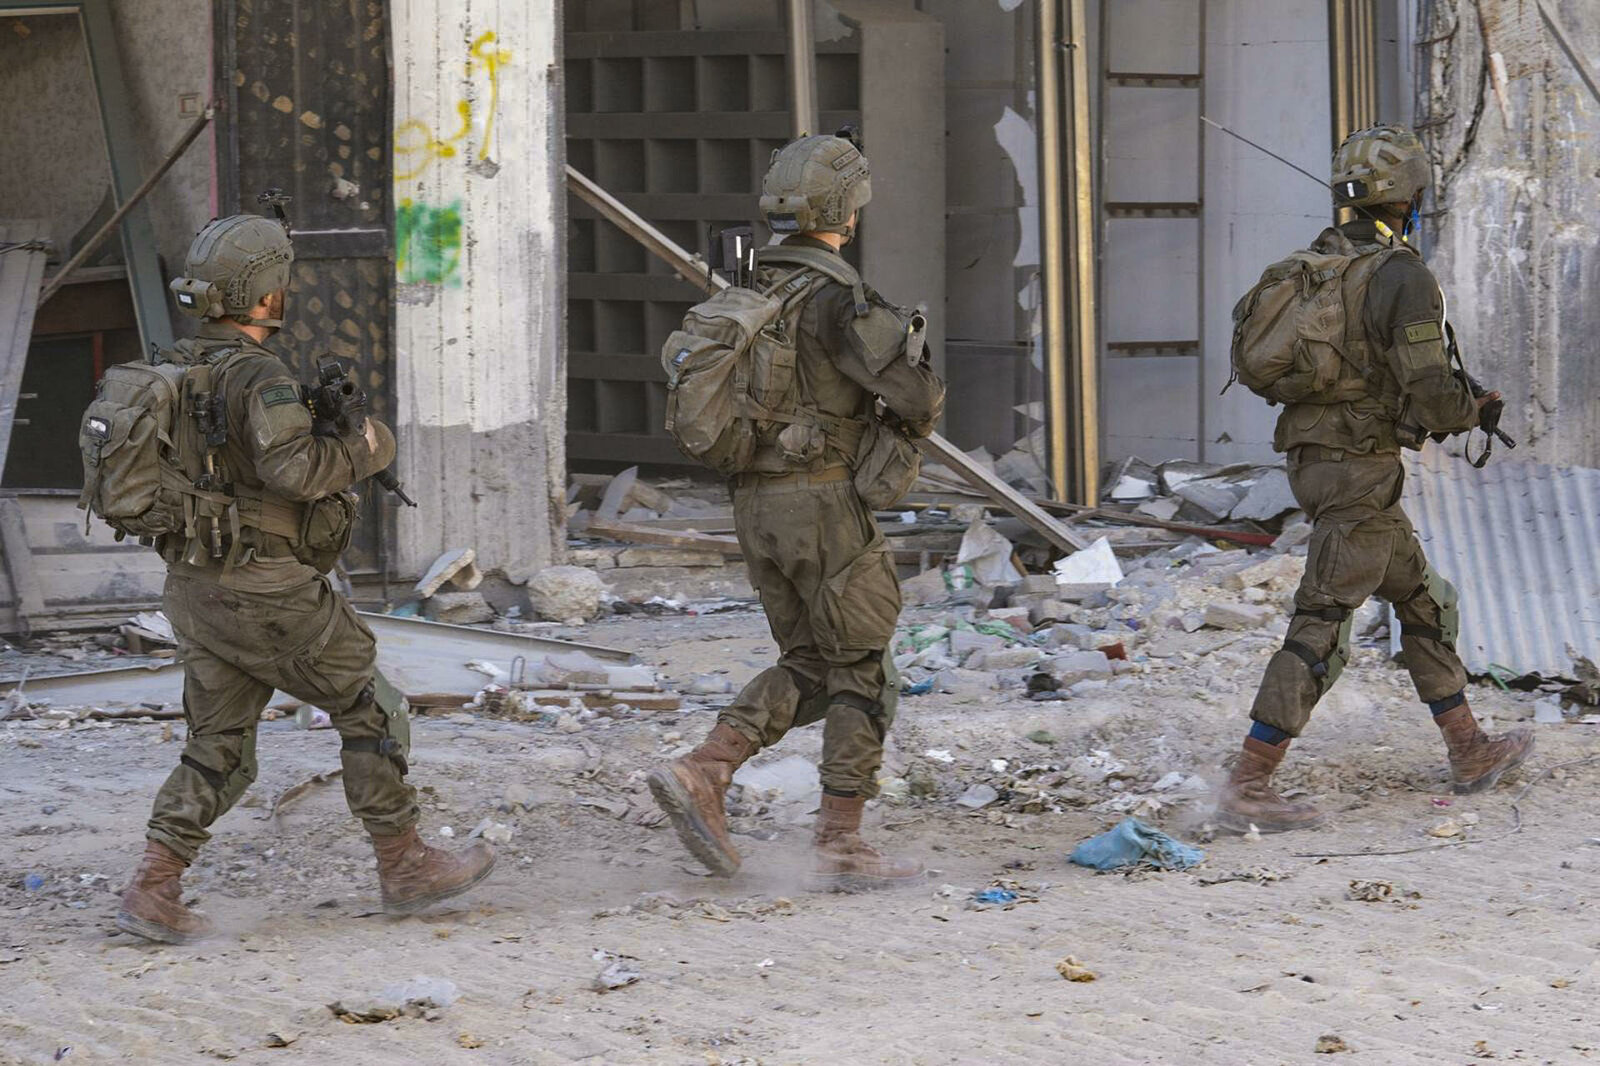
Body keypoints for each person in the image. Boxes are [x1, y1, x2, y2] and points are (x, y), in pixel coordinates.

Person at [112, 213, 494, 942]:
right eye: (278, 282)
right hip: (268, 594)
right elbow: (295, 470)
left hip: (195, 590)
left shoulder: (176, 366)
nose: (284, 292)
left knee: (218, 745)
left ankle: (153, 886)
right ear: (260, 294)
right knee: (369, 705)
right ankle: (404, 862)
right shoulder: (258, 375)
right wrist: (367, 444)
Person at [648, 132, 946, 890]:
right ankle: (839, 842)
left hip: (755, 504)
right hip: (824, 505)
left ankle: (708, 768)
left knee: (812, 662)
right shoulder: (839, 300)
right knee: (863, 669)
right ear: (846, 210)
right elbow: (916, 395)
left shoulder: (743, 295)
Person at [1217, 125, 1533, 833]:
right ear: (1411, 194)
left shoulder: (1321, 261)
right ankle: (1249, 781)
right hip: (1359, 470)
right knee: (1322, 622)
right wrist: (1471, 409)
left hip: (1322, 461)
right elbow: (1428, 390)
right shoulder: (1400, 275)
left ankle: (1469, 748)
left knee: (1425, 602)